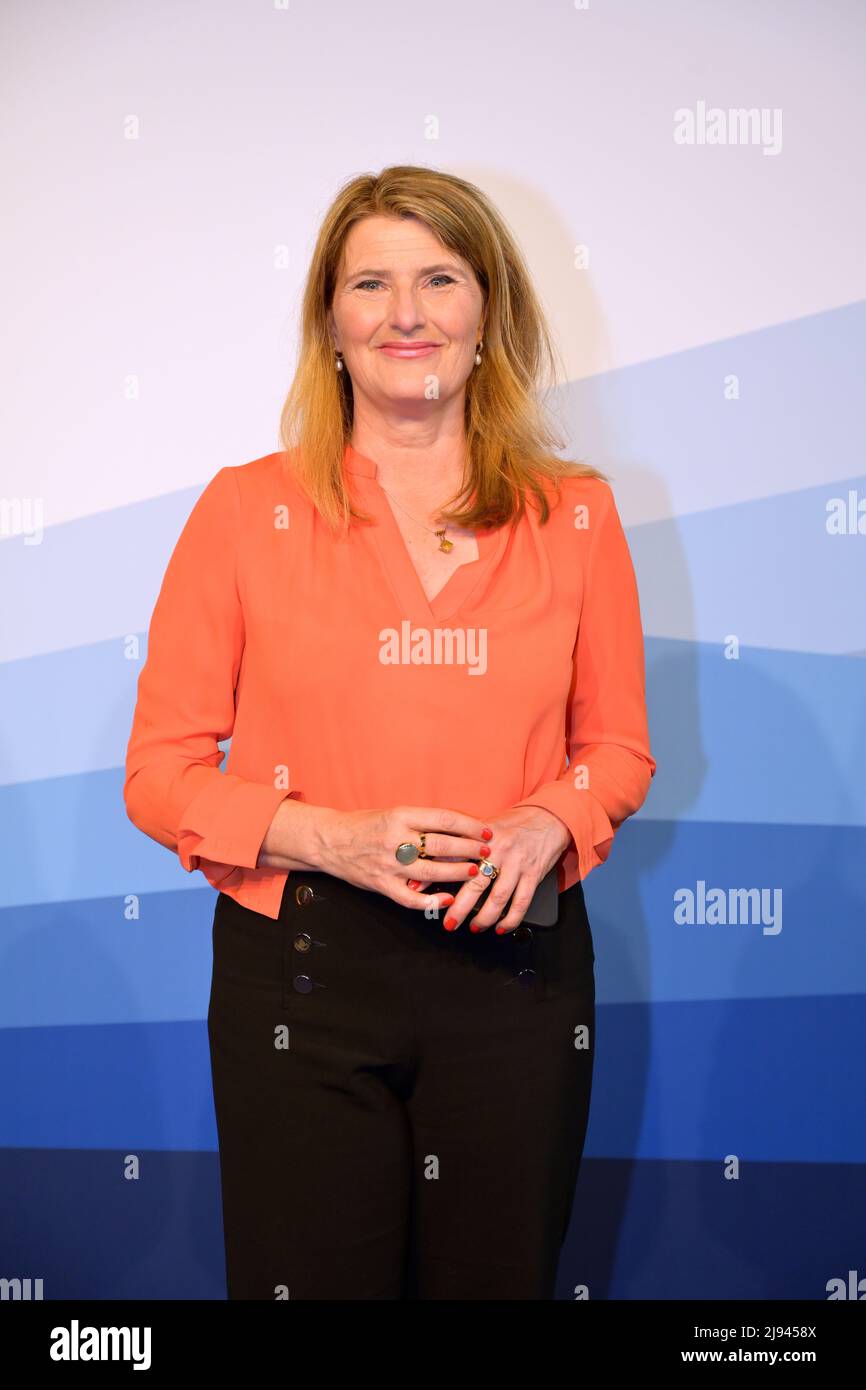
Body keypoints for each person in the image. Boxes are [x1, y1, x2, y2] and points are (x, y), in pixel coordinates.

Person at [123, 164, 656, 1300]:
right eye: (370, 283)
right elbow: (161, 776)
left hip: (515, 976)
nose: (405, 313)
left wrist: (548, 822)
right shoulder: (242, 511)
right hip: (301, 980)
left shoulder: (577, 515)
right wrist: (331, 838)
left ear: (487, 315)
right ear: (330, 323)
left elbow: (616, 750)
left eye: (438, 279)